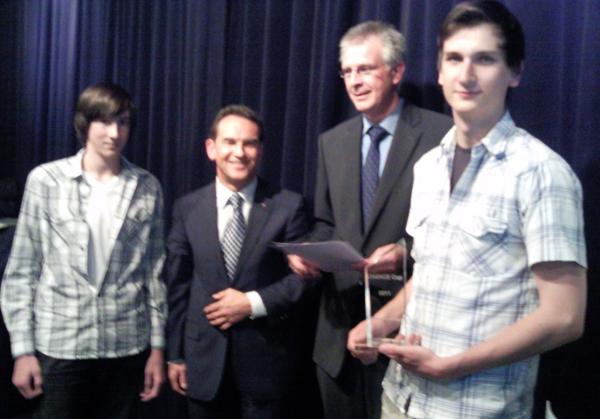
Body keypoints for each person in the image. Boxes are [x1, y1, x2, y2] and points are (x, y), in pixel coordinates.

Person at [347, 2, 587, 418]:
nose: (466, 74)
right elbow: (429, 274)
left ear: (514, 73)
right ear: (439, 71)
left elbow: (564, 317)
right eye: (454, 58)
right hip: (400, 398)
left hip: (478, 409)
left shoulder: (542, 173)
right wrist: (381, 322)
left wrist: (452, 366)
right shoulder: (427, 167)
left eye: (485, 59)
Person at [288, 21, 452, 419]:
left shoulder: (441, 134)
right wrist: (309, 251)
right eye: (347, 71)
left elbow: (451, 230)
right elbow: (327, 222)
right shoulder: (333, 141)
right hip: (339, 335)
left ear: (396, 72)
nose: (355, 81)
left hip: (407, 332)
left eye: (366, 69)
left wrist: (402, 251)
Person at [0, 83, 167, 419]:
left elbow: (154, 272)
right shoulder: (45, 181)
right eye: (104, 121)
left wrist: (158, 348)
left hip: (125, 346)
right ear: (84, 124)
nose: (114, 132)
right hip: (61, 343)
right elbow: (22, 270)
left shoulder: (147, 186)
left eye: (122, 122)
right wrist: (22, 350)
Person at [165, 105, 313, 419]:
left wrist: (252, 303)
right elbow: (177, 286)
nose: (239, 152)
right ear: (211, 148)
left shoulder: (289, 205)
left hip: (266, 367)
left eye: (249, 143)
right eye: (230, 142)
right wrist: (176, 354)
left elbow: (305, 278)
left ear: (260, 150)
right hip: (202, 362)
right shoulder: (186, 208)